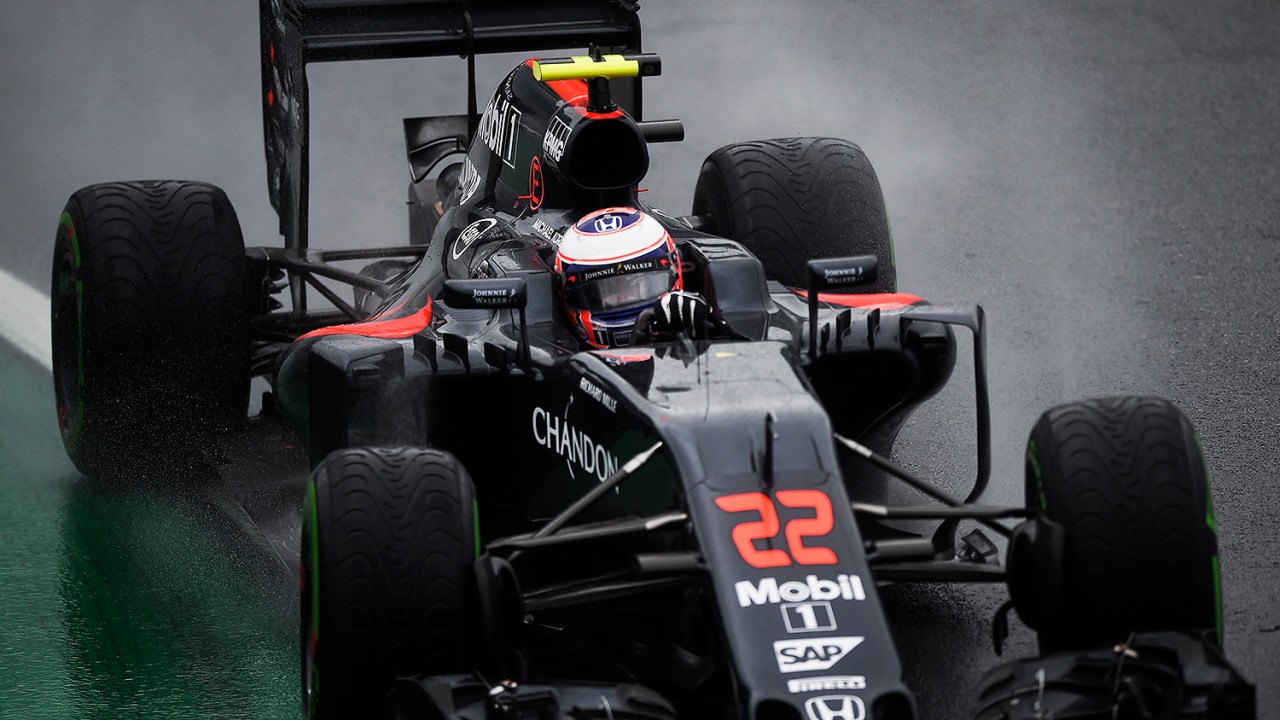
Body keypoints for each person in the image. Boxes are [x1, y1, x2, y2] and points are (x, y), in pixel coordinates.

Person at [553, 207, 709, 348]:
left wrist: (706, 327)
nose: (625, 296)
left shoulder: (697, 322)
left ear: (676, 269)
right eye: (609, 290)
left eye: (638, 284)